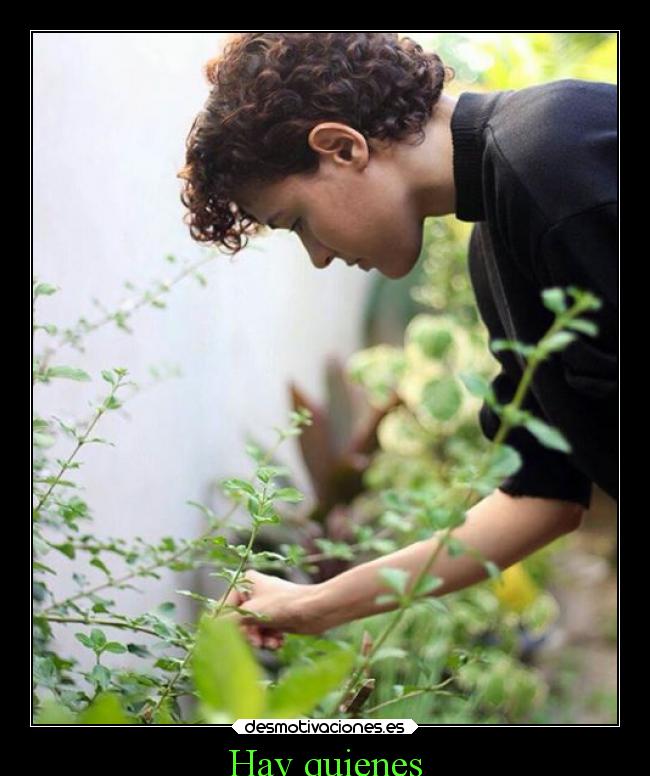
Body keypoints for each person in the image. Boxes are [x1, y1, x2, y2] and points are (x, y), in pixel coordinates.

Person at [178, 33, 617, 650]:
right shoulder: (500, 243)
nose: (320, 256)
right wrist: (316, 604)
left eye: (297, 222)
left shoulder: (555, 152)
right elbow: (544, 493)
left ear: (341, 147)